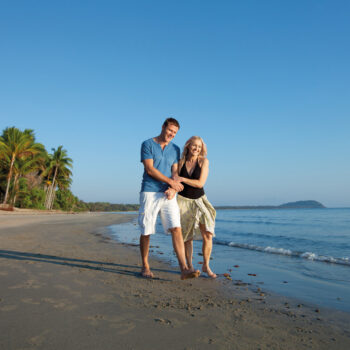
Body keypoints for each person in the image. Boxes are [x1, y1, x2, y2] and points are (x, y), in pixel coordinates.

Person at [138, 118, 200, 280]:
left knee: (176, 228)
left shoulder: (175, 149)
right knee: (147, 230)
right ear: (163, 127)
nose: (171, 134)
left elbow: (174, 172)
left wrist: (173, 188)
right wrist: (171, 182)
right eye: (169, 131)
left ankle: (184, 268)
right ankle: (145, 266)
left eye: (174, 133)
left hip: (167, 193)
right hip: (150, 192)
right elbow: (150, 169)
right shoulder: (147, 144)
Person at [174, 136, 217, 278]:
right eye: (194, 146)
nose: (196, 149)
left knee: (208, 234)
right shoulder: (180, 163)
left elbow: (200, 183)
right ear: (188, 146)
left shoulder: (204, 161)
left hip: (200, 200)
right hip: (183, 201)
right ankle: (190, 267)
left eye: (199, 147)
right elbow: (174, 181)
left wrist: (183, 179)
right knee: (187, 237)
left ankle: (206, 265)